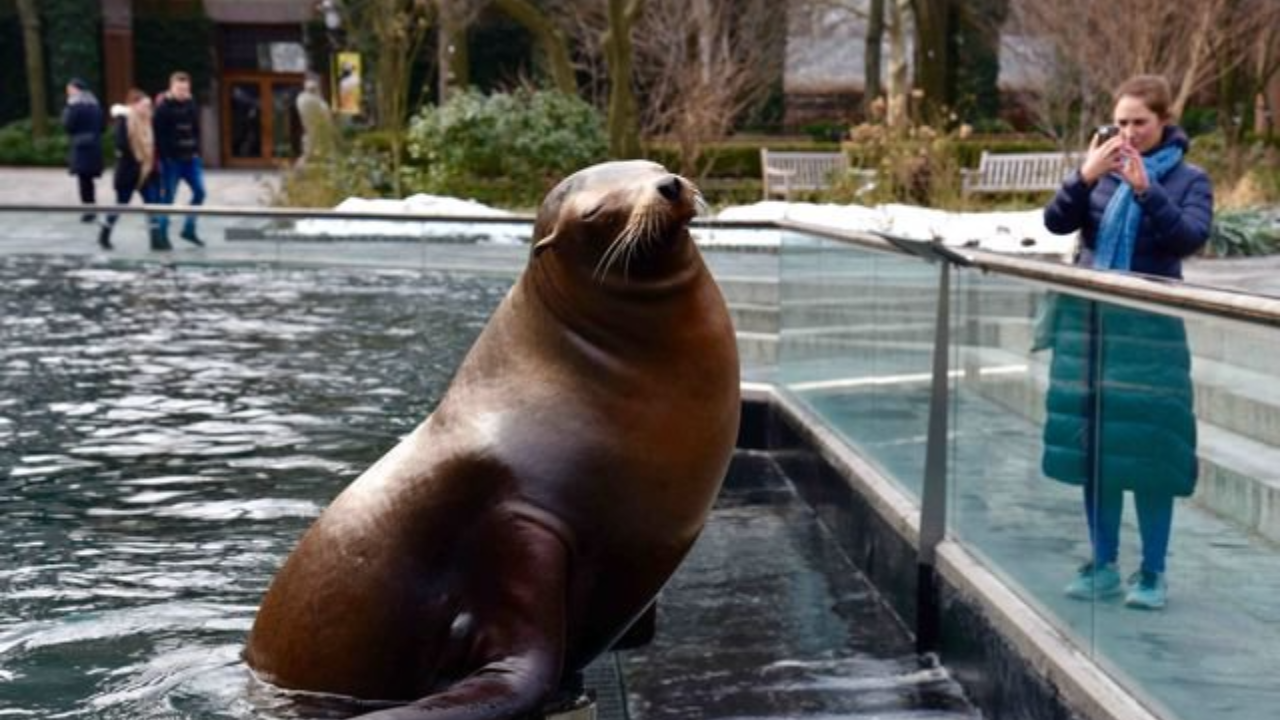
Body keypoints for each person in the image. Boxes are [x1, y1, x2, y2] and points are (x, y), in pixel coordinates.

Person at [1041, 74, 1213, 611]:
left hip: (1150, 335)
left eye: (1139, 122)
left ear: (1164, 121)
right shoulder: (1100, 172)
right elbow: (1054, 222)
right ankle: (1103, 563)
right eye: (1120, 122)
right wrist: (1083, 176)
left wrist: (1146, 190)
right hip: (1091, 330)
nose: (1128, 133)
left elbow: (1189, 238)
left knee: (1151, 455)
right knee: (1098, 453)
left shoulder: (1189, 179)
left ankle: (1153, 572)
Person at [100, 89, 169, 252]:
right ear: (134, 105)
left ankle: (155, 241)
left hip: (148, 171)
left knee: (151, 205)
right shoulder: (124, 121)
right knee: (121, 204)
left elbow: (157, 143)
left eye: (149, 106)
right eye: (144, 105)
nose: (147, 109)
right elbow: (121, 144)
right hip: (129, 171)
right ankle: (104, 234)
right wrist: (138, 155)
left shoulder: (150, 121)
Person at [153, 71, 206, 246]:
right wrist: (165, 157)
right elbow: (158, 136)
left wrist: (197, 150)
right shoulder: (163, 108)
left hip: (191, 159)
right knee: (168, 198)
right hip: (172, 161)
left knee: (200, 192)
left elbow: (196, 128)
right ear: (171, 88)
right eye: (180, 89)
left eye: (186, 89)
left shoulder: (191, 104)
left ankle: (189, 229)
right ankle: (162, 236)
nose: (183, 93)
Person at [62, 78, 105, 225]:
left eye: (69, 90)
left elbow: (68, 125)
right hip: (94, 145)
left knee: (83, 180)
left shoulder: (74, 106)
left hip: (80, 146)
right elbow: (102, 127)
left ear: (75, 90)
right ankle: (91, 207)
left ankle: (88, 210)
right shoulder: (95, 105)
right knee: (89, 180)